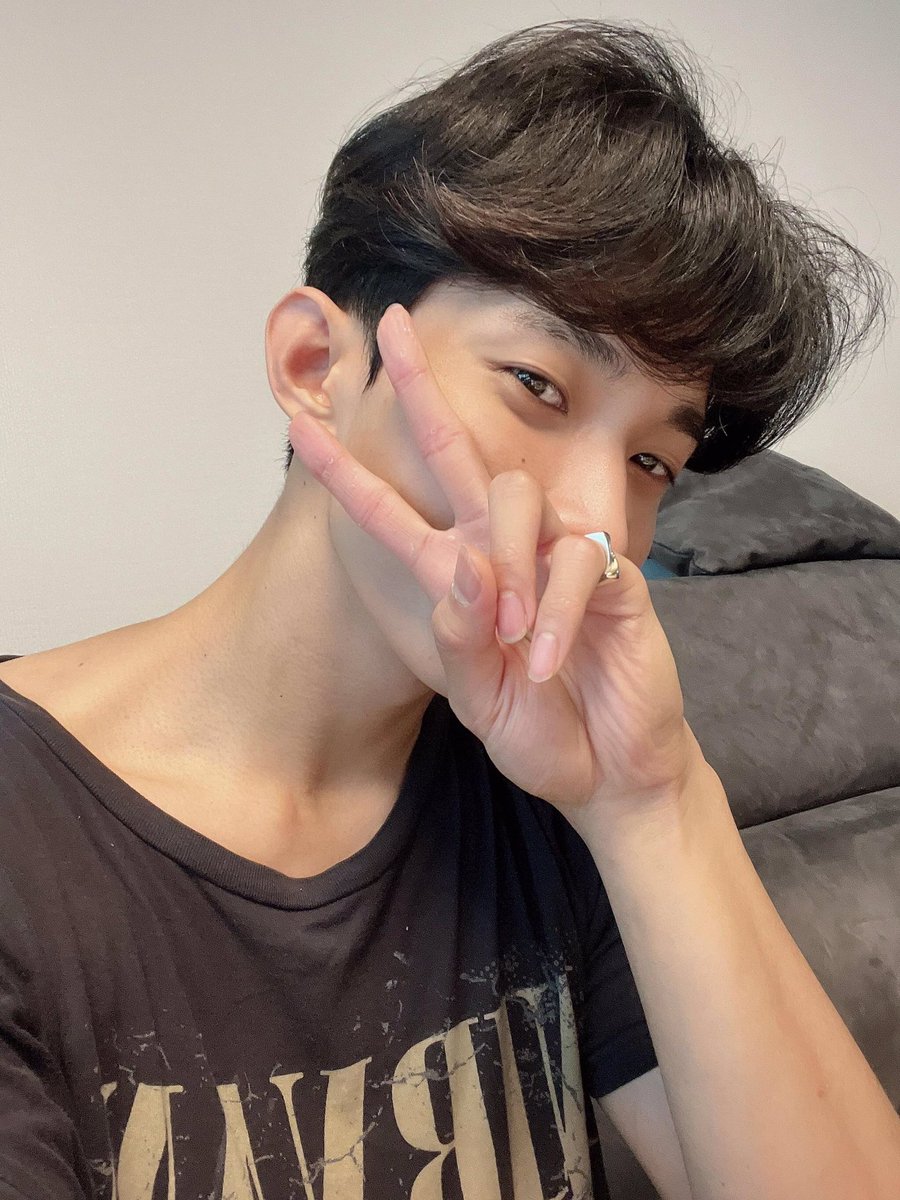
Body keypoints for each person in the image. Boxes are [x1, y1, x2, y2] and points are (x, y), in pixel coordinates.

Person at [0, 17, 897, 1200]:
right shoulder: (29, 841)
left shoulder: (549, 781)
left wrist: (653, 800)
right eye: (536, 385)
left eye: (651, 463)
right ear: (316, 368)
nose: (595, 523)